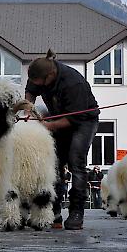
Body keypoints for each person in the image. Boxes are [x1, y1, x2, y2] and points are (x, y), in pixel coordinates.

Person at [25, 49, 99, 230]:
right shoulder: (38, 72)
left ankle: (76, 213)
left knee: (76, 163)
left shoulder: (73, 83)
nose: (37, 85)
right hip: (58, 117)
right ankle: (54, 212)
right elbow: (30, 91)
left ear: (50, 75)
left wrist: (46, 126)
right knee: (54, 164)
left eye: (40, 83)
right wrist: (28, 110)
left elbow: (73, 119)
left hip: (83, 121)